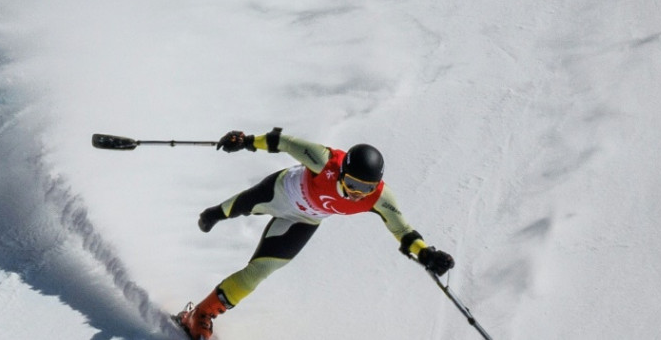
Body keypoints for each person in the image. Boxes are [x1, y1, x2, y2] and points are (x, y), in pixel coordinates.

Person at [176, 128, 455, 340]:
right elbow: (283, 142)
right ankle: (213, 213)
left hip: (304, 220)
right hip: (280, 193)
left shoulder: (380, 198)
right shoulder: (325, 161)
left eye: (367, 188)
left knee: (259, 272)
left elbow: (402, 230)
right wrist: (246, 141)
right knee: (217, 214)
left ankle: (200, 314)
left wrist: (426, 253)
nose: (358, 194)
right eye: (353, 184)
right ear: (343, 172)